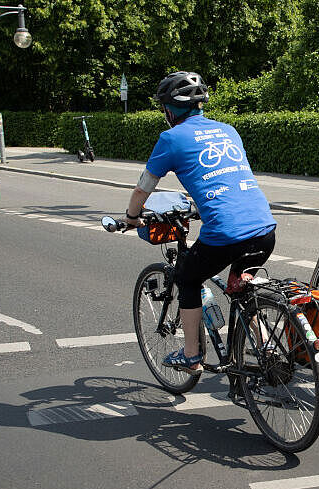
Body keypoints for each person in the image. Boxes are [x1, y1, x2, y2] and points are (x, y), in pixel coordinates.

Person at [123, 71, 277, 378]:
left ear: (169, 110)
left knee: (188, 278)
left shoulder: (171, 138)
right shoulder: (228, 131)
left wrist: (130, 218)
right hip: (265, 228)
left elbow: (144, 188)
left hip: (226, 232)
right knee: (241, 289)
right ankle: (268, 352)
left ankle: (192, 355)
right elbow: (226, 177)